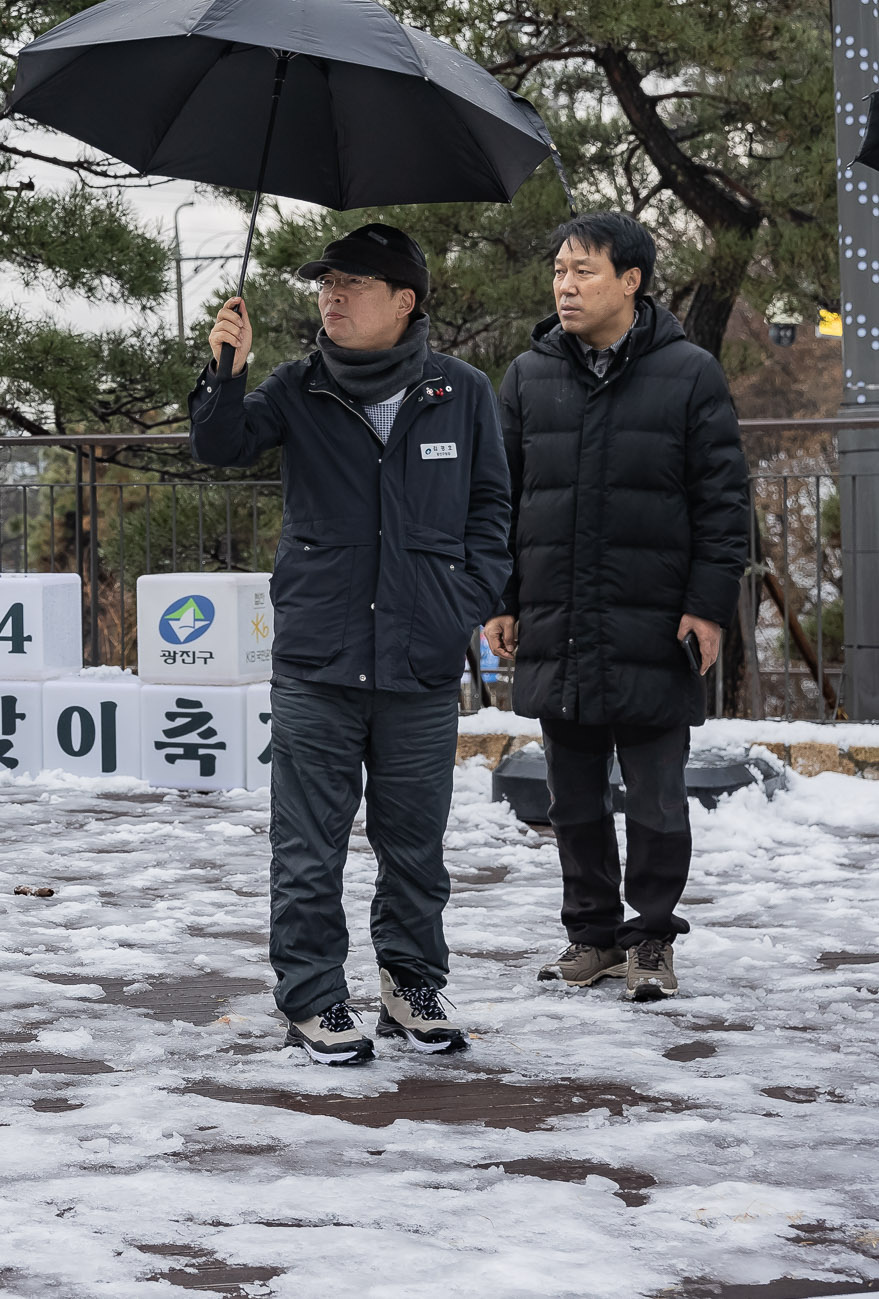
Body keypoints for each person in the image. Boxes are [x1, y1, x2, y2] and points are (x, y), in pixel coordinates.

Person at [195, 223, 512, 1065]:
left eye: (352, 284)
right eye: (324, 284)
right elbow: (218, 444)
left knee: (416, 841)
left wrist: (462, 602)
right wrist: (222, 371)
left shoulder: (463, 391)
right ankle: (313, 995)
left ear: (404, 301)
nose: (331, 297)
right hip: (319, 658)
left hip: (418, 657)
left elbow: (492, 510)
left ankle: (411, 986)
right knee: (309, 841)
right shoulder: (297, 387)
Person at [483, 213, 747, 1003]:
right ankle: (591, 935)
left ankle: (654, 938)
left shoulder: (690, 372)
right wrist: (502, 598)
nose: (565, 286)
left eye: (584, 271)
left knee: (658, 796)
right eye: (559, 271)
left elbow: (723, 501)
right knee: (572, 796)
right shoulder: (528, 376)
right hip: (559, 621)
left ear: (631, 281)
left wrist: (707, 605)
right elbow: (499, 497)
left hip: (653, 621)